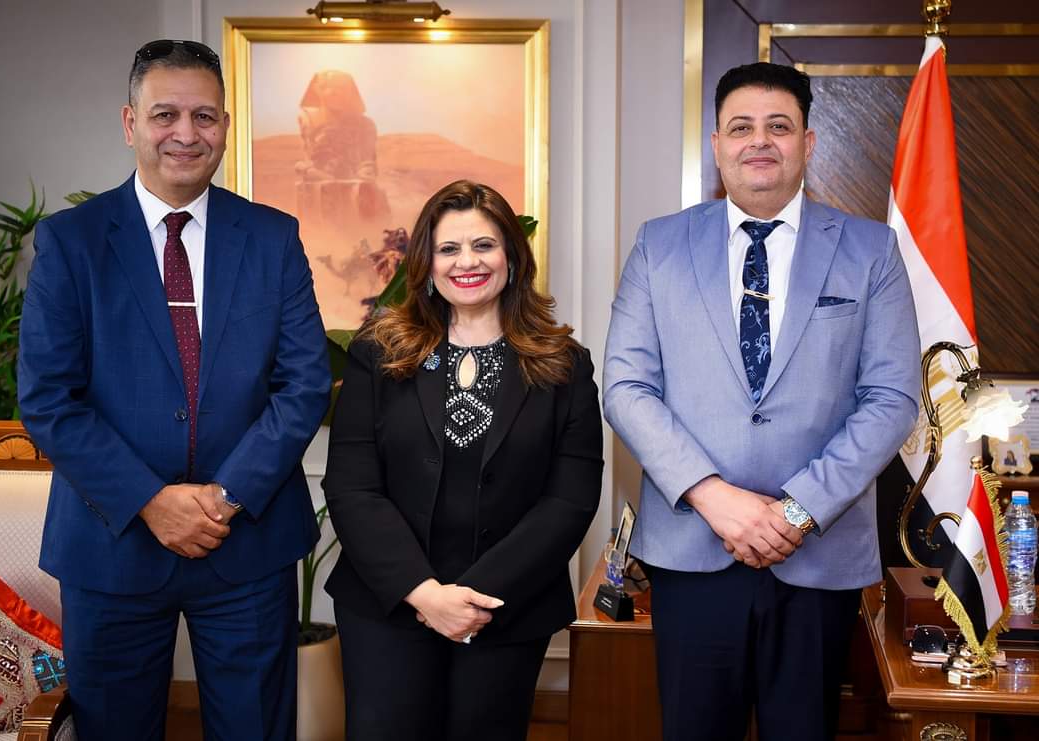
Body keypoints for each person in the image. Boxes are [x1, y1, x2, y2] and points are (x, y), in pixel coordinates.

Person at [17, 39, 331, 740]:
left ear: (225, 126)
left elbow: (305, 383)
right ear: (130, 122)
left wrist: (225, 497)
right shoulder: (71, 241)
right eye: (165, 114)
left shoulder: (274, 238)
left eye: (204, 116)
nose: (186, 134)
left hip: (246, 542)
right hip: (111, 543)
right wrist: (151, 502)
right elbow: (48, 399)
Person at [603, 62, 921, 741]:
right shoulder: (659, 245)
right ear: (717, 144)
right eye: (742, 127)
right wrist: (715, 496)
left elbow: (891, 397)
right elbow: (627, 387)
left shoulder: (871, 250)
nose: (760, 141)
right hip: (693, 546)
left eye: (779, 126)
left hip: (817, 553)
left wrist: (796, 510)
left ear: (808, 143)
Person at [323, 180, 603, 740]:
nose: (466, 262)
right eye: (448, 249)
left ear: (512, 257)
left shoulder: (563, 363)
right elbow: (353, 486)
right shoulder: (379, 352)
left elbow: (569, 500)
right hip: (389, 604)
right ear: (426, 264)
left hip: (507, 608)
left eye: (484, 245)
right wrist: (424, 594)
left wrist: (474, 599)